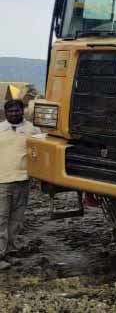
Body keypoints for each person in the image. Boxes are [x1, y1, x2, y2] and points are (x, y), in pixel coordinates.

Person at [0, 98, 41, 270]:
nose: (14, 113)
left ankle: (9, 251)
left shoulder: (33, 129)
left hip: (23, 181)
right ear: (5, 113)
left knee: (16, 219)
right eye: (11, 111)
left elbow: (38, 153)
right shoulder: (0, 129)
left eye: (17, 110)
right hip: (2, 181)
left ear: (22, 110)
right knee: (1, 219)